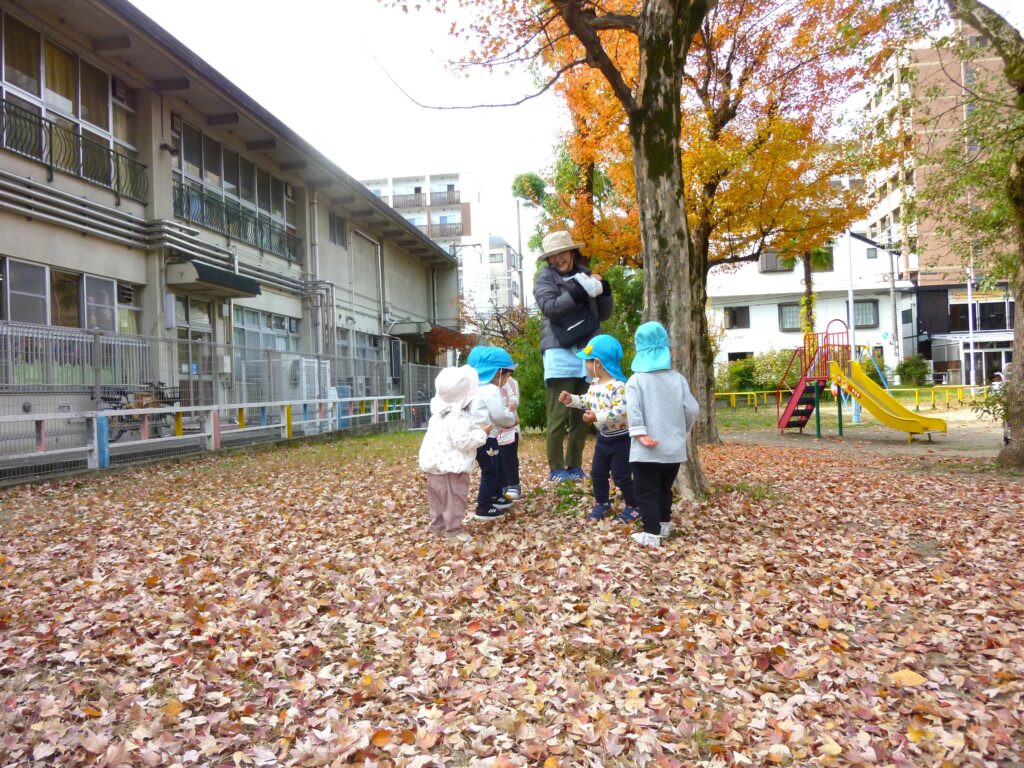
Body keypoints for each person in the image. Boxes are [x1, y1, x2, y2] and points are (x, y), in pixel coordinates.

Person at [534, 230, 614, 482]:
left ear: (571, 252)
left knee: (584, 412)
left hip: (588, 351)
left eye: (561, 253)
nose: (557, 259)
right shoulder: (545, 277)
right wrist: (579, 292)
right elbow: (550, 308)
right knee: (558, 415)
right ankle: (556, 468)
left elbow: (603, 315)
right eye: (552, 256)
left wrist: (604, 291)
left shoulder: (586, 274)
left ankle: (575, 465)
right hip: (558, 349)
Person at [625, 321, 700, 548]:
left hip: (645, 451)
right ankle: (664, 524)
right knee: (664, 489)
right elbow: (693, 409)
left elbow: (633, 410)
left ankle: (650, 533)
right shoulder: (677, 379)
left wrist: (640, 434)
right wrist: (681, 430)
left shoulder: (635, 381)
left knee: (646, 491)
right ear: (666, 349)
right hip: (672, 449)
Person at [558, 334, 638, 521]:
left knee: (622, 475)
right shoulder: (594, 384)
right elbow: (588, 401)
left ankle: (634, 506)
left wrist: (597, 417)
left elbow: (621, 411)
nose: (585, 366)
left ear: (598, 363)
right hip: (604, 439)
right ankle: (602, 503)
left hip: (621, 439)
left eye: (587, 362)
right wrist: (573, 400)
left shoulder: (618, 386)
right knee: (597, 472)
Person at [418, 366, 490, 541]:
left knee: (437, 499)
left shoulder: (437, 416)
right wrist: (482, 434)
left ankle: (437, 526)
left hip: (433, 466)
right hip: (452, 469)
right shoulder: (460, 418)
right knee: (454, 500)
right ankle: (453, 530)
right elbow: (463, 442)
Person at [466, 345, 518, 521]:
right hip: (487, 438)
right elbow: (500, 414)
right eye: (507, 376)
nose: (506, 381)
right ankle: (484, 505)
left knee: (497, 467)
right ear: (498, 373)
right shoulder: (490, 390)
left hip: (480, 437)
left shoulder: (473, 390)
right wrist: (512, 419)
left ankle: (496, 496)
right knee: (491, 472)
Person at [497, 372, 522, 499]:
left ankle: (513, 484)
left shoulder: (510, 382)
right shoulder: (485, 383)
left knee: (509, 458)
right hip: (493, 429)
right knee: (496, 459)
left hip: (509, 428)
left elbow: (514, 401)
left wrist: (502, 410)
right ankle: (502, 485)